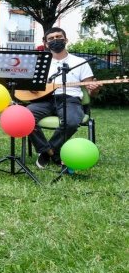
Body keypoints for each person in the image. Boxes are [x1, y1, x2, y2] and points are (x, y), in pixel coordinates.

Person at [28, 27, 101, 168]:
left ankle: (47, 152)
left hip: (70, 99)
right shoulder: (40, 62)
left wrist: (95, 89)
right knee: (24, 117)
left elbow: (91, 92)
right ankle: (50, 152)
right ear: (45, 43)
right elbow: (31, 86)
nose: (55, 40)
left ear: (65, 40)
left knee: (72, 121)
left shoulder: (80, 62)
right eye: (51, 38)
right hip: (44, 99)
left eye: (59, 37)